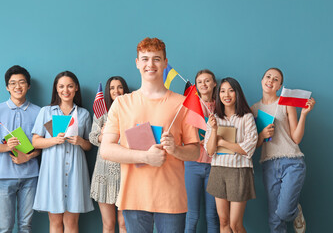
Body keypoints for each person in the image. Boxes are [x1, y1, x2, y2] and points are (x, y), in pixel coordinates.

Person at [100, 37, 200, 233]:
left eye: (156, 58)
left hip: (171, 197)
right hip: (134, 197)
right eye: (145, 59)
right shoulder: (122, 103)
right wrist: (145, 157)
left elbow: (195, 152)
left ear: (164, 63)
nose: (150, 64)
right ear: (137, 63)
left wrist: (176, 149)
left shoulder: (182, 104)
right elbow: (106, 149)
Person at [251, 68, 315, 233]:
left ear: (279, 86)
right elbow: (254, 144)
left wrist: (304, 115)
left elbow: (296, 138)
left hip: (292, 163)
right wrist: (262, 135)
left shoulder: (285, 103)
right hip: (268, 165)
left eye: (276, 79)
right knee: (274, 220)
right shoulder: (254, 109)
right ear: (262, 80)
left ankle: (295, 211)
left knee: (285, 212)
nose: (271, 81)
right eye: (268, 77)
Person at [32, 71, 94, 233]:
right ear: (56, 89)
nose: (65, 90)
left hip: (75, 171)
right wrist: (54, 140)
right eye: (61, 86)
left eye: (69, 86)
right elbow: (35, 141)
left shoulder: (84, 114)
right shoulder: (46, 111)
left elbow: (89, 146)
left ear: (76, 88)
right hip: (53, 172)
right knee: (55, 221)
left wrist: (80, 141)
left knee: (72, 222)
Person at [0, 65, 41, 233]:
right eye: (13, 83)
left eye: (22, 82)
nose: (18, 86)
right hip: (3, 177)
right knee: (5, 227)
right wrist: (6, 146)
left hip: (30, 177)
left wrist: (28, 157)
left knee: (26, 226)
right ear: (7, 87)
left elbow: (42, 145)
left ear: (28, 85)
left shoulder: (39, 111)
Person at [205, 77, 258, 233]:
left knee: (235, 224)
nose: (226, 95)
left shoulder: (246, 117)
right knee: (223, 221)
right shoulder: (214, 119)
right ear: (218, 95)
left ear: (237, 93)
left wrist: (223, 143)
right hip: (218, 170)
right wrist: (214, 130)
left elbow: (248, 148)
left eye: (231, 90)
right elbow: (209, 150)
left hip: (239, 170)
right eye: (222, 91)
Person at [90, 76, 130, 233]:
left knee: (123, 223)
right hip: (104, 172)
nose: (116, 91)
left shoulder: (131, 110)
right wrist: (104, 134)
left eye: (120, 87)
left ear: (125, 89)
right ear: (108, 91)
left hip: (126, 171)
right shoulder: (102, 112)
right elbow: (92, 137)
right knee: (108, 223)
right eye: (112, 88)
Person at [184, 69, 220, 232]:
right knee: (192, 215)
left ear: (214, 84)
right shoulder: (191, 105)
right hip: (193, 164)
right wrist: (203, 139)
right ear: (196, 86)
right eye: (199, 82)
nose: (203, 84)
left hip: (215, 165)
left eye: (207, 81)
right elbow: (184, 135)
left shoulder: (222, 105)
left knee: (212, 215)